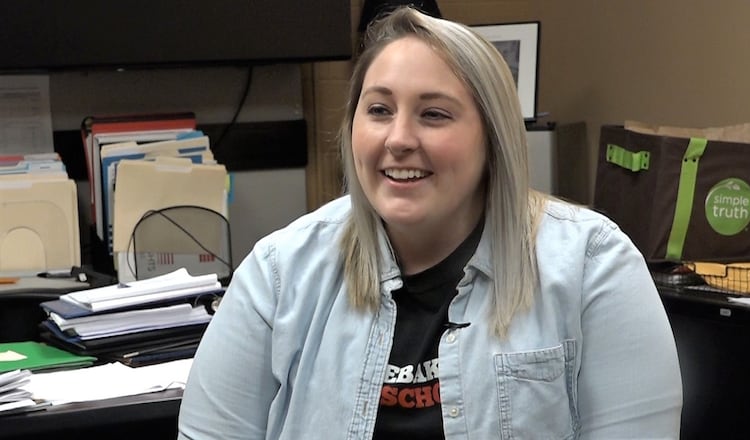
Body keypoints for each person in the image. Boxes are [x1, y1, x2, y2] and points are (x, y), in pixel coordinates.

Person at [178, 6, 682, 439]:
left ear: (494, 139)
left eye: (434, 115)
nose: (398, 138)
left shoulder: (593, 266)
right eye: (378, 109)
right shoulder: (279, 274)